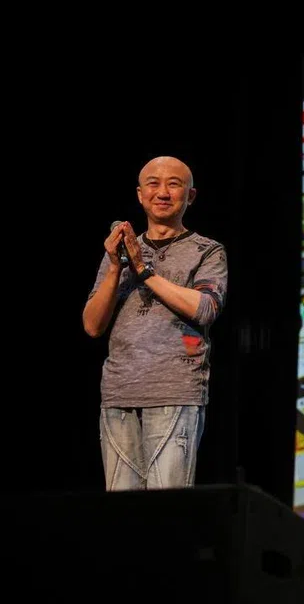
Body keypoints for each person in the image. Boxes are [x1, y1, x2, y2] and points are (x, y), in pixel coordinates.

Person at [83, 156, 227, 491]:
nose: (162, 192)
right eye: (153, 183)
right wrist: (118, 265)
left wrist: (144, 271)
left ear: (190, 196)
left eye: (174, 184)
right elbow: (92, 325)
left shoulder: (207, 250)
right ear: (139, 194)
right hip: (118, 393)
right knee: (122, 515)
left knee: (167, 513)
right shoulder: (119, 252)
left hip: (174, 390)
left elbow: (205, 308)